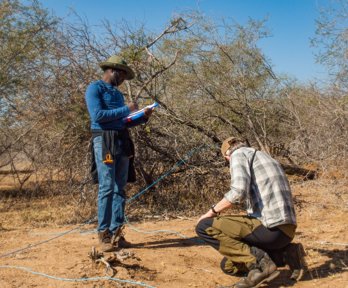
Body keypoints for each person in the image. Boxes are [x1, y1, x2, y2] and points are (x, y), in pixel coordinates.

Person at [196, 137, 306, 288]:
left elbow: (238, 191)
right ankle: (285, 254)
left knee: (204, 226)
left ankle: (260, 264)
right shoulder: (265, 157)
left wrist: (211, 212)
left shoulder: (238, 155)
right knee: (229, 265)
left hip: (269, 228)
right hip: (286, 232)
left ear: (227, 156)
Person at [85, 55, 152, 252]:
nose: (123, 79)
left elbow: (123, 121)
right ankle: (103, 233)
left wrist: (142, 117)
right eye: (122, 75)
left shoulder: (117, 94)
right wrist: (126, 109)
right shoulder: (94, 88)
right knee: (106, 186)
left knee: (119, 187)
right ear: (112, 71)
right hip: (104, 140)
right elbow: (97, 116)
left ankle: (117, 233)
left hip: (122, 140)